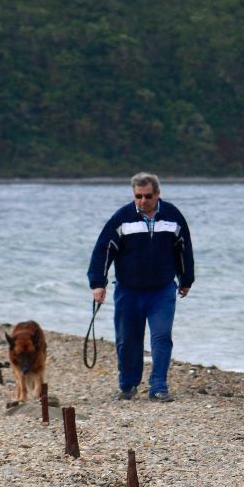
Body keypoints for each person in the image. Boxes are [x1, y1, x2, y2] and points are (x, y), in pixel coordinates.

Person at [87, 172, 195, 402]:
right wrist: (98, 283)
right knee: (127, 340)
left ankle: (158, 387)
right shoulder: (123, 218)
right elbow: (104, 250)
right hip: (129, 291)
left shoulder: (173, 216)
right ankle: (128, 385)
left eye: (148, 196)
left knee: (162, 337)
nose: (143, 201)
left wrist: (186, 279)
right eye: (138, 196)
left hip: (162, 291)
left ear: (158, 193)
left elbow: (184, 249)